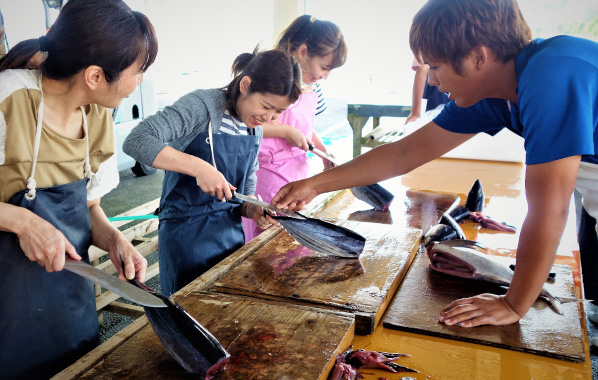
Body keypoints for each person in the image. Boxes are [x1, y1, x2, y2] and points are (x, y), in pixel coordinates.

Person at [272, 0, 598, 328]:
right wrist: (313, 184)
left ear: (478, 57)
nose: (430, 82)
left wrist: (513, 304)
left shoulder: (552, 78)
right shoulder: (493, 90)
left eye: (435, 67)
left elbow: (550, 210)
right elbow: (405, 153)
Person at [0, 0, 157, 378]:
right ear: (94, 75)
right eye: (139, 71)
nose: (139, 82)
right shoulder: (9, 99)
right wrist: (21, 221)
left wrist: (114, 239)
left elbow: (88, 208)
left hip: (67, 299)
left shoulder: (98, 114)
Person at [123, 48, 302, 296]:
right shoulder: (202, 106)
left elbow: (244, 194)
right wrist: (199, 167)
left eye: (278, 112)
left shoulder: (254, 130)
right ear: (246, 85)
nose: (269, 117)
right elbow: (137, 140)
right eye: (266, 106)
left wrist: (253, 209)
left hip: (229, 237)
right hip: (185, 236)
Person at [242, 15, 347, 242]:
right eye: (324, 67)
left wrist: (322, 151)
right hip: (267, 171)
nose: (325, 76)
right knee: (267, 231)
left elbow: (306, 128)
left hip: (298, 170)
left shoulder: (313, 87)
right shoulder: (272, 78)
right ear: (302, 51)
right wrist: (285, 132)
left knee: (292, 237)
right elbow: (247, 125)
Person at [405, 58, 449, 124]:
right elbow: (421, 71)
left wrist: (415, 113)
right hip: (437, 100)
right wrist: (415, 113)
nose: (430, 81)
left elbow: (421, 71)